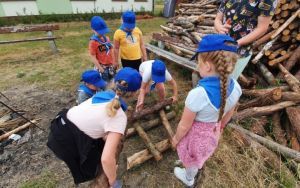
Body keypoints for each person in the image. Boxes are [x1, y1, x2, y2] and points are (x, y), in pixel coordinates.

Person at [47, 67, 142, 187]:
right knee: (91, 169)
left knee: (99, 149)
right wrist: (113, 181)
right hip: (65, 140)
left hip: (60, 124)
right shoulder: (119, 117)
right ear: (135, 93)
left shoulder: (103, 94)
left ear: (113, 82)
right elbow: (106, 159)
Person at [171, 34, 242, 186]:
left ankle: (188, 177)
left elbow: (184, 126)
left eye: (199, 62)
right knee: (199, 154)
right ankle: (189, 164)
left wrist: (176, 139)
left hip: (195, 138)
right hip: (212, 132)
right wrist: (221, 126)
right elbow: (230, 112)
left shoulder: (197, 95)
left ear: (208, 65)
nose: (197, 65)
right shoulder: (237, 87)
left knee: (193, 158)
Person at [214, 0, 277, 79]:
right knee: (211, 79)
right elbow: (218, 18)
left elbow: (262, 28)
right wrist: (219, 27)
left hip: (240, 51)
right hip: (218, 45)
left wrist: (236, 43)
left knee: (226, 83)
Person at [89, 16, 117, 82]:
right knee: (105, 85)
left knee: (113, 83)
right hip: (102, 68)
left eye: (103, 31)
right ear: (93, 29)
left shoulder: (106, 38)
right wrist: (101, 69)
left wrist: (114, 62)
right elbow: (93, 57)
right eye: (99, 32)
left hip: (110, 66)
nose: (102, 33)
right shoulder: (93, 42)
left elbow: (111, 50)